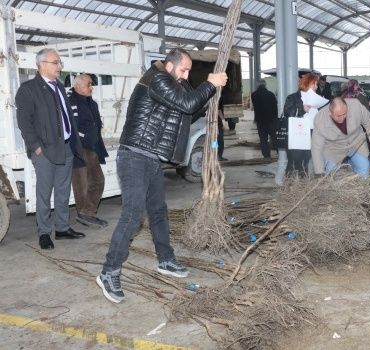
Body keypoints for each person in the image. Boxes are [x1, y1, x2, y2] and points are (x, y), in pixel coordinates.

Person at [97, 48, 227, 303]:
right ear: (170, 66)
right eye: (184, 70)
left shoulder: (170, 82)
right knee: (133, 215)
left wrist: (211, 95)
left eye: (188, 71)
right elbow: (187, 103)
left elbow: (189, 111)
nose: (186, 76)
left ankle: (166, 260)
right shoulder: (157, 79)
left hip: (150, 157)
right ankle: (108, 271)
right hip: (134, 156)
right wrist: (209, 84)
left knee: (158, 211)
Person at [16, 48, 86, 250]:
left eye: (59, 63)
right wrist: (36, 148)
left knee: (63, 191)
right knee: (44, 193)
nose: (60, 67)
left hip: (65, 147)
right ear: (42, 65)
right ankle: (44, 232)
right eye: (56, 63)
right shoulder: (28, 89)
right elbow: (24, 123)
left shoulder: (59, 87)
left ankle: (63, 228)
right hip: (45, 151)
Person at [68, 74, 109, 228]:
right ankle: (85, 213)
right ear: (77, 86)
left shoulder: (92, 103)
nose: (91, 87)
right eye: (88, 84)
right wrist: (80, 141)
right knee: (81, 184)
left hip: (92, 148)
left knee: (98, 181)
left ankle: (87, 212)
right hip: (78, 148)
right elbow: (71, 127)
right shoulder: (70, 101)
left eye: (91, 84)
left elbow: (96, 125)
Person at [311, 97, 370, 176]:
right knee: (331, 175)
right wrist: (319, 172)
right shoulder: (320, 119)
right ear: (330, 113)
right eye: (338, 116)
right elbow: (316, 147)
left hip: (356, 143)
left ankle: (361, 186)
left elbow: (368, 122)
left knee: (364, 167)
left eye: (344, 114)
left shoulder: (356, 105)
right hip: (334, 148)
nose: (342, 118)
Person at [282, 73, 321, 178]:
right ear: (307, 84)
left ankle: (303, 187)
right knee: (294, 163)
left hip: (311, 133)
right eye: (315, 84)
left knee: (305, 162)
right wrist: (302, 110)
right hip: (297, 134)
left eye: (317, 84)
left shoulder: (317, 98)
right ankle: (290, 188)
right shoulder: (293, 98)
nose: (316, 87)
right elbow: (288, 114)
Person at [251, 79, 278, 159]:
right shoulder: (271, 94)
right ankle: (279, 154)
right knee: (275, 138)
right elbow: (275, 108)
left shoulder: (254, 95)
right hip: (271, 120)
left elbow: (255, 106)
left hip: (260, 121)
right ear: (265, 85)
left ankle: (266, 155)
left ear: (257, 85)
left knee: (263, 139)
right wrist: (276, 119)